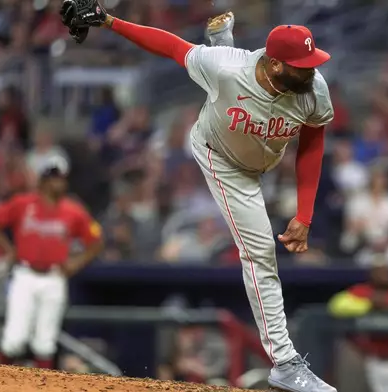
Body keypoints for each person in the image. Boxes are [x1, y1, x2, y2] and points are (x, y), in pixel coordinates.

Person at [59, 2, 336, 391]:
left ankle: (224, 39)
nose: (312, 69)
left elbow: (312, 143)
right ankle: (285, 362)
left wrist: (304, 214)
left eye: (312, 61)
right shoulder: (227, 68)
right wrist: (110, 20)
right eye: (302, 64)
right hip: (221, 156)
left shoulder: (312, 86)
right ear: (275, 64)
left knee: (227, 80)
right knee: (259, 252)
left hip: (264, 157)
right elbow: (171, 46)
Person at [0, 156, 103, 369]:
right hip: (25, 274)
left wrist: (76, 263)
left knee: (45, 343)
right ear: (43, 180)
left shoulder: (73, 210)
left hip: (54, 277)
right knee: (14, 340)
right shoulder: (23, 203)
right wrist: (9, 249)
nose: (59, 182)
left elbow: (95, 240)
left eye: (61, 178)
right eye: (54, 177)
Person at [328, 258, 388, 392]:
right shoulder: (363, 291)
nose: (384, 276)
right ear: (372, 274)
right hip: (375, 359)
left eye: (386, 272)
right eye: (379, 272)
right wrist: (369, 304)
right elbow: (336, 305)